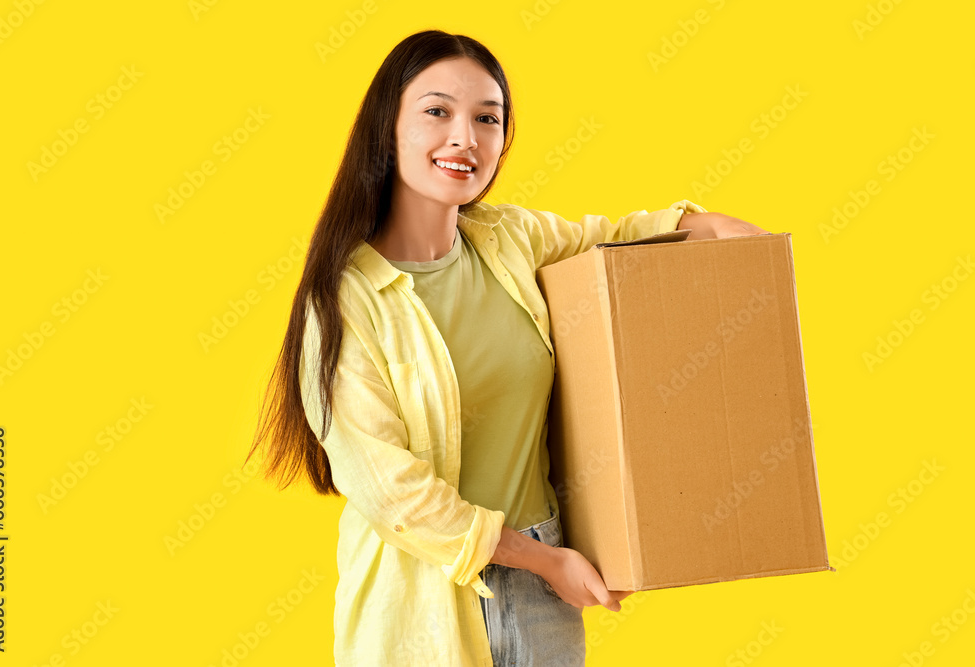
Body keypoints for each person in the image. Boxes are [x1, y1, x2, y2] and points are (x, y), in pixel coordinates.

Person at [245, 29, 767, 667]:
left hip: (547, 581)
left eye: (487, 119)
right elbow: (393, 492)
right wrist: (545, 561)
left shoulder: (509, 240)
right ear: (387, 127)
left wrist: (705, 226)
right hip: (424, 601)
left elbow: (616, 237)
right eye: (437, 111)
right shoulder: (345, 299)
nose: (465, 138)